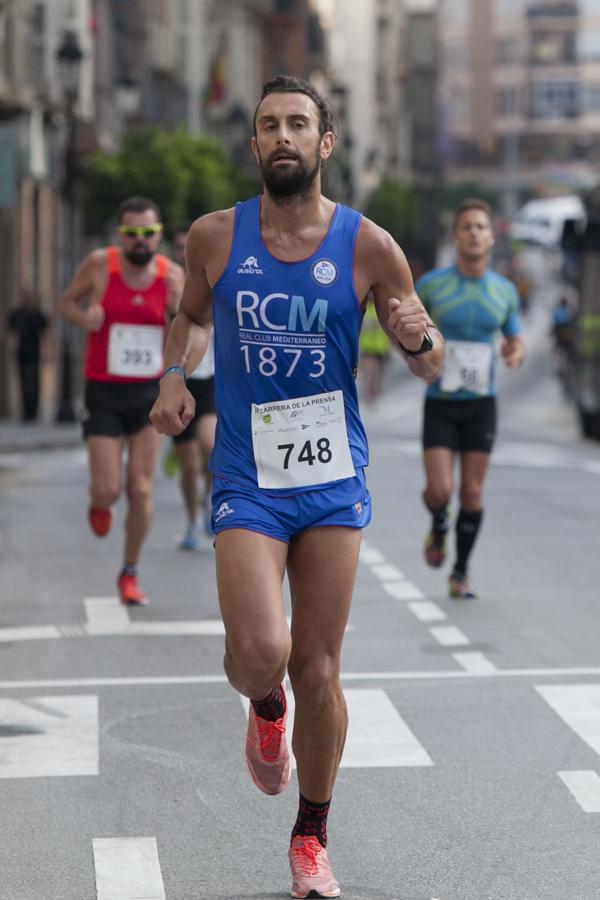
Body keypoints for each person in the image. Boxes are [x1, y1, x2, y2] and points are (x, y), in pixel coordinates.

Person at [150, 75, 444, 899]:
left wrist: (419, 339)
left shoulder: (369, 246)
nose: (284, 136)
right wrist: (174, 374)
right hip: (248, 473)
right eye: (270, 125)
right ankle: (263, 705)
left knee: (318, 669)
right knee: (260, 658)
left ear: (325, 143)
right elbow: (192, 315)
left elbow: (427, 357)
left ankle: (311, 837)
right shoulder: (215, 236)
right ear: (254, 145)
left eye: (298, 124)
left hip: (330, 478)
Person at [58, 196, 185, 605]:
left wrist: (175, 313)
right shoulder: (100, 265)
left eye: (148, 232)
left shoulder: (171, 275)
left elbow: (191, 327)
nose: (140, 240)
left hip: (149, 392)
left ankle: (129, 571)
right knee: (108, 488)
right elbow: (65, 303)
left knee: (141, 490)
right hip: (104, 391)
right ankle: (100, 503)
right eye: (132, 233)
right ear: (120, 235)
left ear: (158, 234)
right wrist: (84, 318)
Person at [416, 198, 525, 600]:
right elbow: (406, 332)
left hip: (481, 405)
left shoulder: (504, 291)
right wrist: (419, 357)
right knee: (440, 490)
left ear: (492, 237)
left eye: (481, 227)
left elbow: (515, 338)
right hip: (441, 403)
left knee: (473, 493)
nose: (474, 233)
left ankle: (460, 572)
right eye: (467, 227)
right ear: (456, 237)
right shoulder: (432, 286)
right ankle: (438, 522)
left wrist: (515, 352)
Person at [170, 224, 217, 550]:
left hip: (210, 380)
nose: (183, 252)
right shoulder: (168, 283)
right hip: (178, 382)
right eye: (179, 247)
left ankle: (210, 499)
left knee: (210, 446)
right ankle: (192, 520)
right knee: (188, 463)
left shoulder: (214, 277)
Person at [7, 290, 49, 421]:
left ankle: (33, 411)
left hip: (35, 351)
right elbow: (11, 332)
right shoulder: (17, 314)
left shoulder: (39, 315)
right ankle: (26, 412)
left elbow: (45, 334)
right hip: (22, 351)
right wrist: (11, 346)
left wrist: (47, 350)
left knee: (34, 380)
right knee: (23, 380)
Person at [358, 295, 391, 406]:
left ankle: (375, 390)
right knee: (370, 373)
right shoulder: (363, 312)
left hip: (381, 347)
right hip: (368, 348)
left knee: (379, 372)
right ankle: (370, 394)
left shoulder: (379, 311)